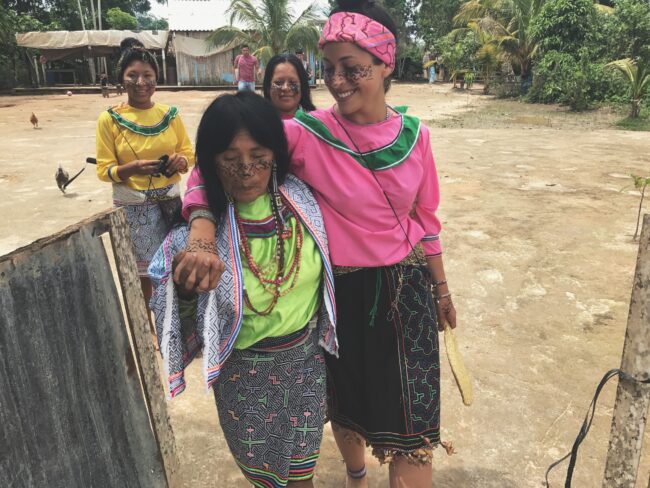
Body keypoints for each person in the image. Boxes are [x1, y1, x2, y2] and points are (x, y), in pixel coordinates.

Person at [179, 0, 457, 486]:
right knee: (347, 408)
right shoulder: (308, 135)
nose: (338, 81)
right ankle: (355, 476)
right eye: (329, 69)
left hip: (406, 292)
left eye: (352, 68)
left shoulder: (418, 137)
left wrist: (441, 289)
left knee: (414, 429)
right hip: (340, 296)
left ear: (385, 64)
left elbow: (426, 220)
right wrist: (202, 229)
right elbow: (214, 160)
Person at [148, 91, 338, 488]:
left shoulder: (304, 203)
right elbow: (171, 320)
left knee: (304, 477)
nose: (247, 170)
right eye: (231, 160)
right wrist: (185, 290)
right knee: (269, 481)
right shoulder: (195, 240)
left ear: (276, 153)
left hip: (305, 366)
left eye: (259, 156)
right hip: (245, 380)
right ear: (212, 162)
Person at [95, 44, 195, 347]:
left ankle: (178, 324)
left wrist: (180, 161)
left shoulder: (170, 115)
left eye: (147, 75)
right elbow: (104, 170)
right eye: (133, 75)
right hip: (134, 207)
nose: (141, 82)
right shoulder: (109, 119)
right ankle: (149, 328)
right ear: (121, 79)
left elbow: (189, 154)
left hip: (169, 202)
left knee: (175, 266)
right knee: (143, 274)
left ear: (157, 78)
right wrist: (132, 168)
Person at [263, 53, 316, 119]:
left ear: (302, 86)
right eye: (278, 83)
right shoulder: (255, 125)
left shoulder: (315, 124)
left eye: (292, 82)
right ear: (268, 86)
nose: (285, 88)